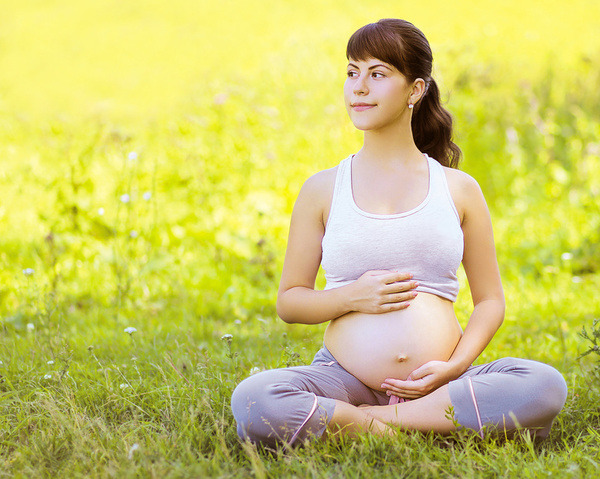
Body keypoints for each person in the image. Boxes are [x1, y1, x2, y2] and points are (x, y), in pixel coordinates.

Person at [231, 18, 568, 447]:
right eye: (352, 72)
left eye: (378, 74)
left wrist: (455, 366)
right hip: (343, 378)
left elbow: (489, 301)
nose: (359, 87)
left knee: (542, 384)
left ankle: (362, 423)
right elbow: (290, 301)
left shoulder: (458, 189)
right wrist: (351, 297)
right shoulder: (322, 189)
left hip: (442, 379)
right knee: (256, 399)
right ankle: (419, 423)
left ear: (415, 90)